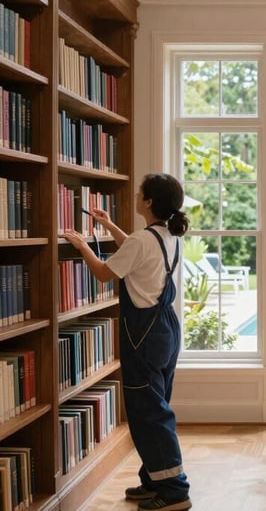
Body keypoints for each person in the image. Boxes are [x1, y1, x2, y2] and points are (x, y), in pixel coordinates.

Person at [63, 173, 192, 511]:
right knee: (157, 403)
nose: (136, 195)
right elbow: (137, 251)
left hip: (144, 336)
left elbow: (105, 273)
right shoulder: (168, 235)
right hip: (165, 330)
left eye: (140, 193)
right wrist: (109, 226)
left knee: (149, 413)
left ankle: (175, 491)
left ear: (148, 201)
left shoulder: (142, 240)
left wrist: (83, 247)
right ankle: (154, 479)